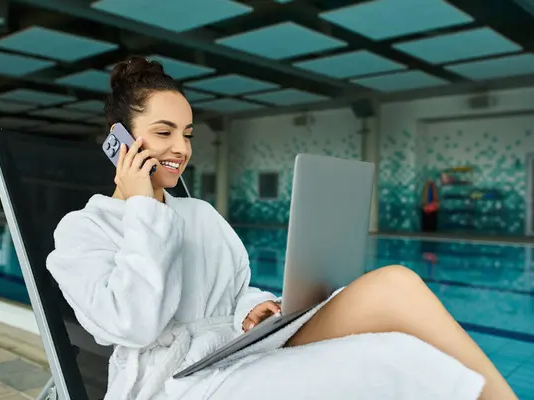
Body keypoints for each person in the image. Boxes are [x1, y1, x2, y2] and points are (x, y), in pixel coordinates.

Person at [46, 56, 516, 400]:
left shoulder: (200, 215)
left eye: (187, 134)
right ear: (119, 139)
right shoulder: (81, 232)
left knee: (395, 286)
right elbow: (135, 323)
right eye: (164, 132)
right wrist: (144, 210)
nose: (181, 148)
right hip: (177, 386)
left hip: (239, 353)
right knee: (390, 360)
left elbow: (236, 291)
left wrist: (257, 310)